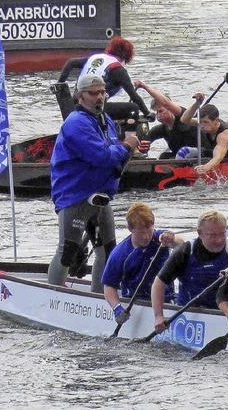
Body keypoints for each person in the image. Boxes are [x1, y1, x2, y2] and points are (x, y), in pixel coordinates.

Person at [48, 75, 140, 293]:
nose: (99, 97)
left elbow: (112, 150)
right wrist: (126, 146)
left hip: (100, 195)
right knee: (68, 250)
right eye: (93, 93)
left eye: (102, 92)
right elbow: (102, 156)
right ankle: (52, 295)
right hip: (76, 194)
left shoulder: (104, 119)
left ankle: (99, 296)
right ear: (80, 96)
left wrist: (125, 148)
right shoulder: (76, 123)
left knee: (106, 249)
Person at [151, 210, 228, 332]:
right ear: (199, 233)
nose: (219, 240)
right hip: (189, 315)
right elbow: (158, 284)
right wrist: (158, 316)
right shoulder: (185, 252)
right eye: (212, 235)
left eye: (222, 234)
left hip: (225, 316)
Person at [102, 203, 182, 325]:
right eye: (141, 233)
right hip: (138, 303)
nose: (146, 237)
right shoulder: (120, 254)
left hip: (167, 300)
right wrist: (117, 308)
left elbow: (182, 244)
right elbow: (108, 286)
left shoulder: (160, 239)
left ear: (153, 226)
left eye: (149, 231)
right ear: (130, 229)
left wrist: (172, 239)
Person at [56, 36, 153, 121]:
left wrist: (59, 84)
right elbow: (134, 97)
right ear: (128, 56)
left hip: (74, 106)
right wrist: (147, 113)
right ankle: (127, 138)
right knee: (133, 108)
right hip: (92, 108)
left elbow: (71, 62)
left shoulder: (95, 58)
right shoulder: (118, 69)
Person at [133, 80, 198, 159]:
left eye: (160, 111)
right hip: (179, 157)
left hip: (199, 154)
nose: (158, 115)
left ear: (170, 109)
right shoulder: (161, 129)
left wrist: (144, 86)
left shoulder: (182, 117)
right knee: (163, 157)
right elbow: (144, 142)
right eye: (156, 112)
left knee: (180, 153)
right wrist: (141, 147)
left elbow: (165, 102)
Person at [179, 96, 228, 174]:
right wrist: (197, 104)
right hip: (212, 153)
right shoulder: (205, 125)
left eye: (205, 122)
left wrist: (206, 167)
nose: (202, 126)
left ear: (216, 121)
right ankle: (178, 171)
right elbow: (184, 120)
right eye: (201, 122)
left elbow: (218, 157)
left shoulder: (224, 134)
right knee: (184, 151)